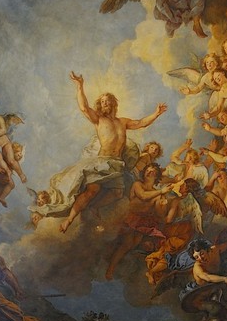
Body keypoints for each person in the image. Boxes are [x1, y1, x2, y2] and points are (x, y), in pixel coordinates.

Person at [33, 76, 168, 235]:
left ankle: (93, 207)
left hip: (116, 163)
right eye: (102, 101)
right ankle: (69, 220)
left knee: (117, 194)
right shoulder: (98, 120)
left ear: (113, 103)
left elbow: (141, 123)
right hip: (102, 162)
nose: (105, 103)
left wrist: (156, 113)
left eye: (107, 101)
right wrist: (80, 86)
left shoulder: (122, 122)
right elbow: (84, 107)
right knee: (92, 190)